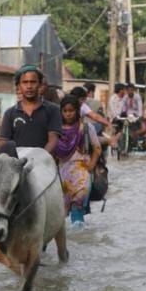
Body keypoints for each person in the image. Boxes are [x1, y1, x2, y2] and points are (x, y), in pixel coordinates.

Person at [56, 95, 101, 229]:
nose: (68, 114)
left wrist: (90, 166)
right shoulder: (55, 130)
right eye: (65, 111)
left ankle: (80, 242)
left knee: (77, 208)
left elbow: (97, 149)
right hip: (61, 174)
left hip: (81, 175)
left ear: (77, 111)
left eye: (71, 110)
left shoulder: (86, 128)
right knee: (61, 214)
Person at [0, 65, 62, 154]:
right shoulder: (10, 113)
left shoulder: (53, 110)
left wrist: (39, 158)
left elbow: (53, 139)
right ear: (19, 86)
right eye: (25, 82)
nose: (29, 86)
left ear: (40, 84)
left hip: (44, 164)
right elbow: (4, 141)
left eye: (33, 82)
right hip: (18, 164)